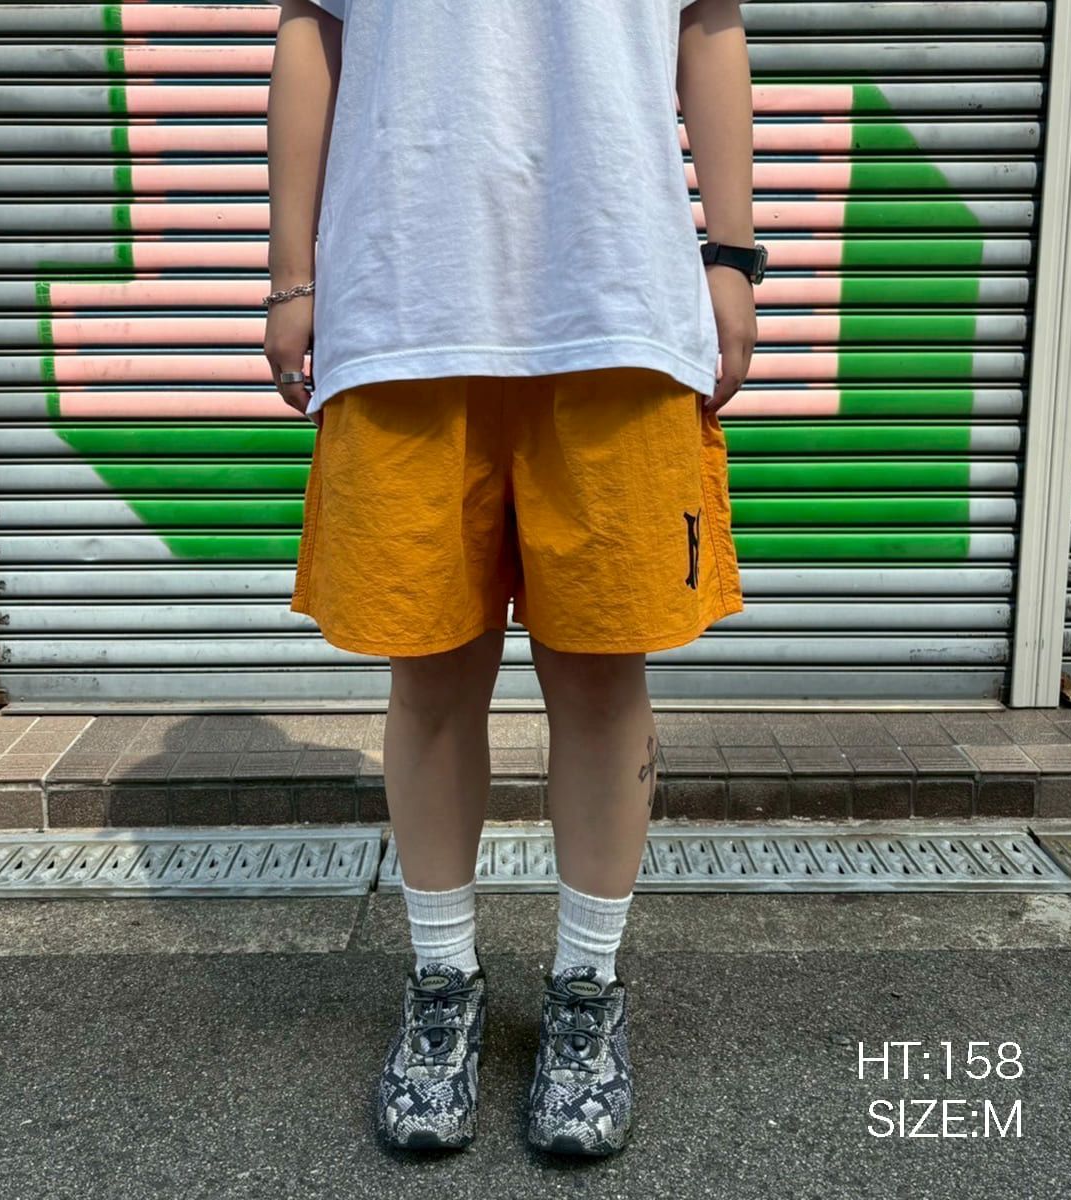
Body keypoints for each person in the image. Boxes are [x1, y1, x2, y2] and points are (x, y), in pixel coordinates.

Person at [264, 0, 757, 1157]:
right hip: (405, 296)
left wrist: (733, 255)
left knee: (601, 675)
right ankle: (444, 981)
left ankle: (587, 988)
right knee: (430, 673)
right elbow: (310, 31)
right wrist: (292, 276)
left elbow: (710, 22)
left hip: (616, 295)